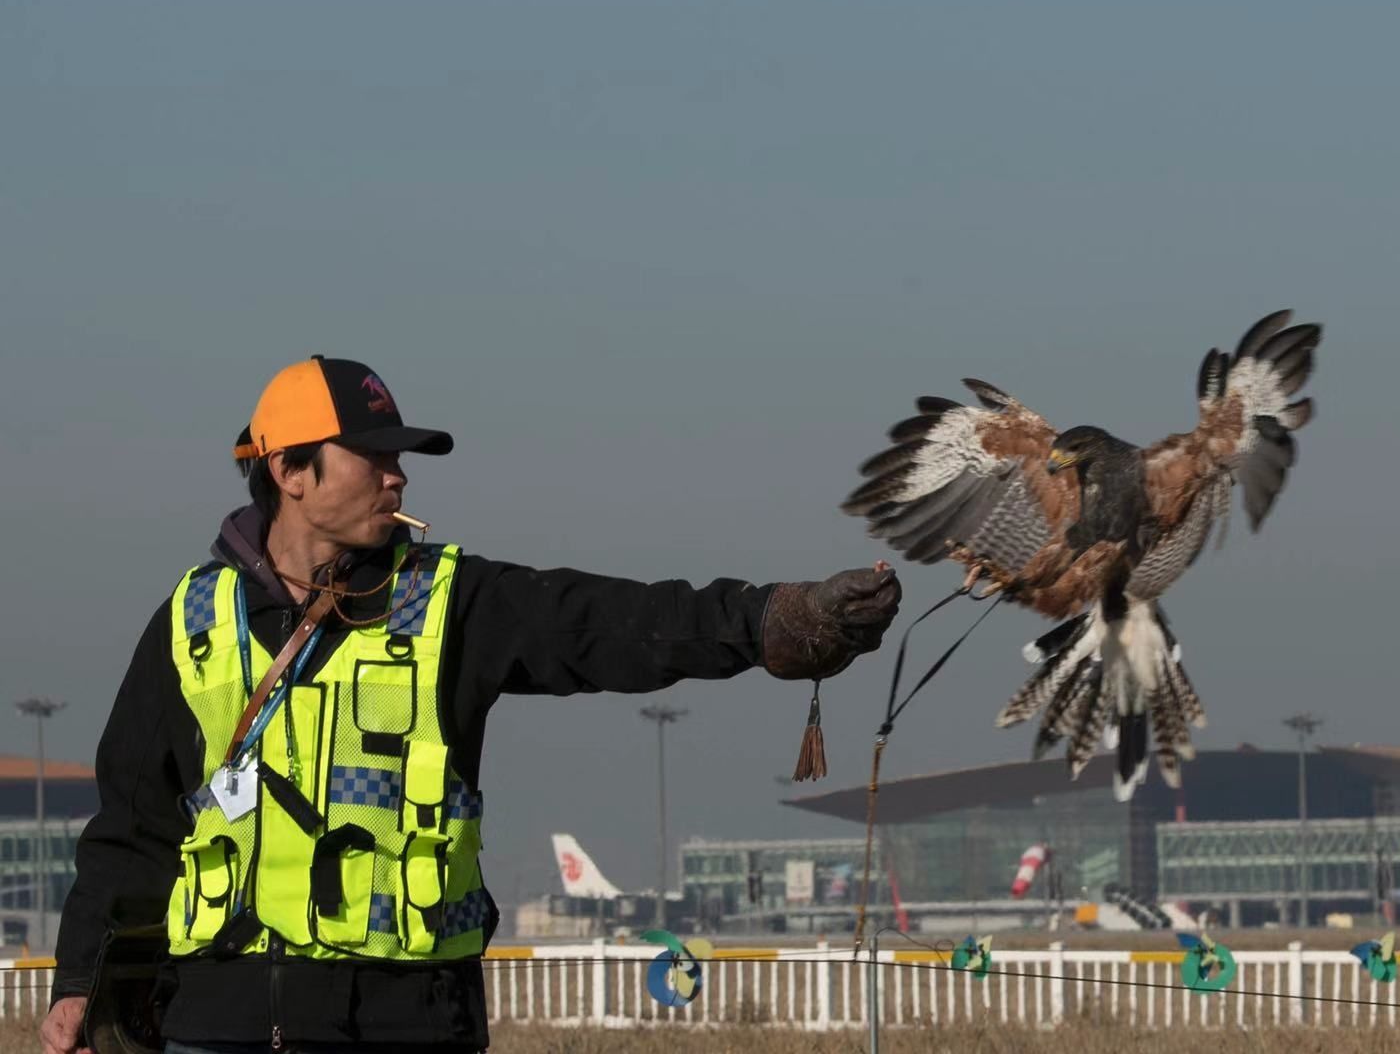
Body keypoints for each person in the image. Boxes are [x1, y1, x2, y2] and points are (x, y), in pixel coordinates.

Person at [41, 357, 901, 1054]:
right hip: (217, 1025)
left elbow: (612, 623)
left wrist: (769, 621)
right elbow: (132, 828)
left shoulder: (454, 601)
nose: (396, 475)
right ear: (291, 470)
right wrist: (81, 984)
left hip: (410, 1022)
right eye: (372, 454)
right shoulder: (192, 622)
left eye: (398, 456)